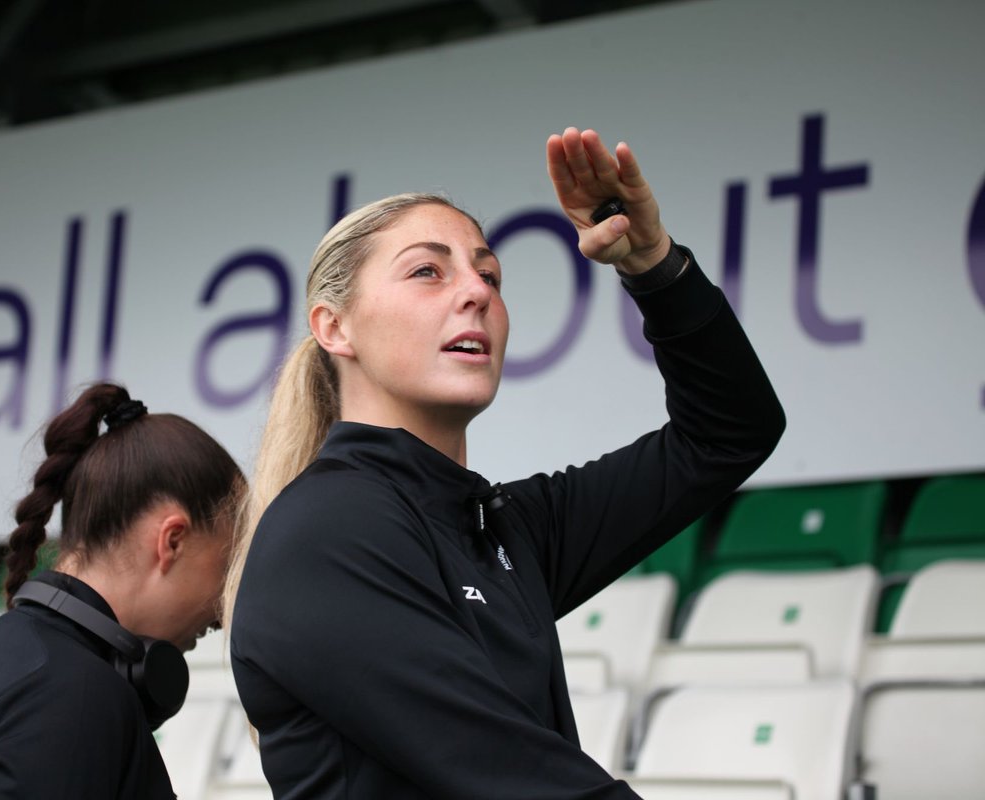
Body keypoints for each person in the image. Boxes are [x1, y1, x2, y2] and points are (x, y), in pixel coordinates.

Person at [224, 128, 786, 799]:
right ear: (334, 327)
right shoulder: (324, 532)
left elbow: (729, 432)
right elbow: (509, 775)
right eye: (427, 271)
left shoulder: (502, 527)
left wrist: (653, 264)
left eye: (488, 274)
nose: (476, 293)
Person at [0, 382, 245, 800]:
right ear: (172, 541)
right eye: (227, 565)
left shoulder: (17, 649)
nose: (224, 608)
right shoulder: (76, 696)